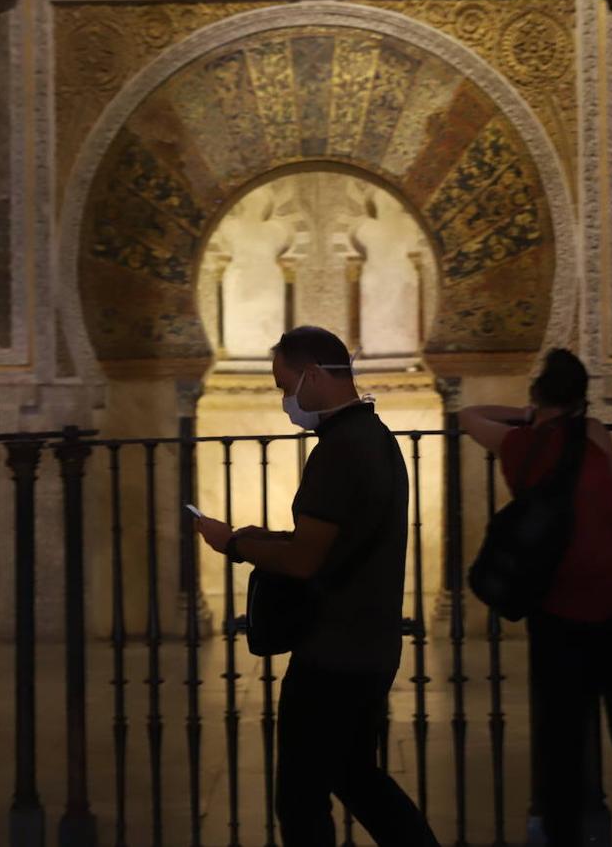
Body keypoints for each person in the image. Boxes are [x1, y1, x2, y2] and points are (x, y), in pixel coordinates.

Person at [195, 326, 440, 847]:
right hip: (370, 646)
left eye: (286, 385)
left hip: (333, 652)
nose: (286, 400)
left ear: (312, 376)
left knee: (301, 798)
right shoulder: (377, 439)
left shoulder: (340, 451)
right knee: (356, 776)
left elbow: (306, 559)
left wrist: (234, 542)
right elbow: (332, 540)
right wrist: (264, 539)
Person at [458, 348, 612, 847]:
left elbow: (467, 415)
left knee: (561, 734)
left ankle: (563, 830)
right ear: (581, 399)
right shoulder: (596, 436)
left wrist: (529, 417)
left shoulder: (523, 447)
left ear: (539, 396)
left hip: (558, 602)